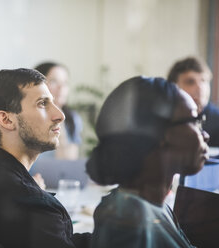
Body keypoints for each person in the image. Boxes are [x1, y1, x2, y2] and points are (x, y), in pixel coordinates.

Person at [0, 68, 90, 248]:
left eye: (53, 103)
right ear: (6, 120)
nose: (60, 115)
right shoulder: (35, 206)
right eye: (42, 103)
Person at [86, 76, 209, 247]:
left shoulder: (153, 205)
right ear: (160, 133)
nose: (205, 135)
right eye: (195, 121)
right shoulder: (129, 221)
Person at [167, 57, 219, 191]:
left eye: (204, 81)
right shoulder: (164, 119)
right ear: (173, 87)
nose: (200, 88)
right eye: (190, 82)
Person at [35, 62, 83, 160]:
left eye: (65, 82)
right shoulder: (28, 117)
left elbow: (69, 161)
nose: (61, 88)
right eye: (54, 81)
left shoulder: (73, 119)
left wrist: (60, 121)